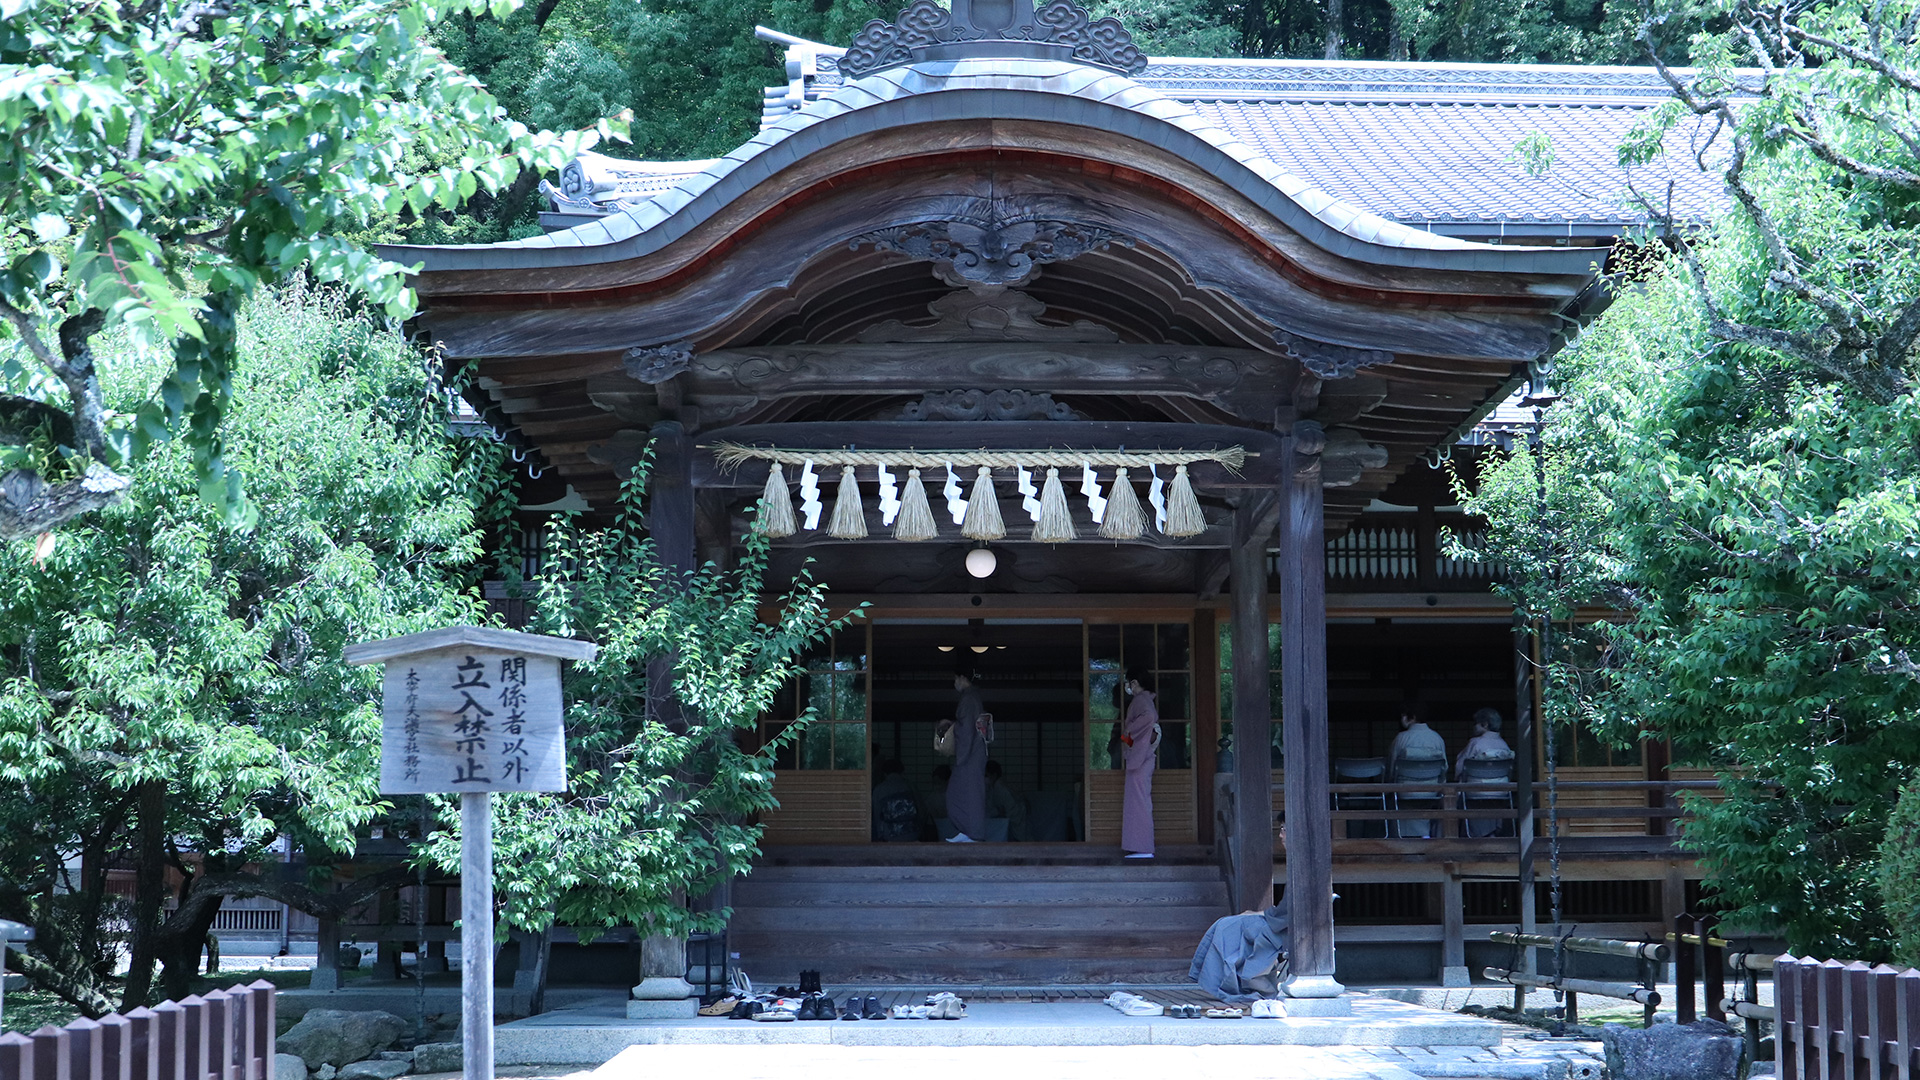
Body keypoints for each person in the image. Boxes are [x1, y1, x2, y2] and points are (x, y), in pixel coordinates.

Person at [1387, 701, 1447, 839]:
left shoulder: (1401, 739)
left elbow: (1392, 769)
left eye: (1403, 716)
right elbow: (1444, 770)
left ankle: (1401, 838)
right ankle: (1427, 836)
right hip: (1432, 791)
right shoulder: (1437, 739)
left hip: (1405, 791)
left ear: (1412, 717)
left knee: (1393, 800)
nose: (1402, 719)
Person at [944, 667, 990, 843]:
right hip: (975, 753)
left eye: (956, 679)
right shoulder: (973, 697)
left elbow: (966, 730)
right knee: (970, 794)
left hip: (969, 754)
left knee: (959, 794)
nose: (955, 683)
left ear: (963, 678)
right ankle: (969, 831)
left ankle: (972, 832)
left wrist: (960, 757)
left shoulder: (969, 698)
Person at [1121, 672, 1159, 858]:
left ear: (1135, 682)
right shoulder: (1144, 700)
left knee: (1139, 802)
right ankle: (1140, 846)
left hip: (1140, 758)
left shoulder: (1141, 701)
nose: (1128, 687)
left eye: (1129, 683)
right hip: (1142, 757)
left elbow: (1148, 718)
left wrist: (1128, 731)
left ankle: (1142, 847)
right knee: (1139, 801)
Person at [871, 757, 923, 843]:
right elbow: (921, 809)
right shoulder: (910, 786)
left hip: (890, 835)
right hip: (912, 833)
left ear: (884, 772)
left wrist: (880, 835)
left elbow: (877, 815)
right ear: (901, 770)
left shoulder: (879, 789)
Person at [1455, 707, 1514, 777]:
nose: (1474, 726)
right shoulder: (1504, 744)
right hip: (1501, 784)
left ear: (1485, 724)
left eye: (1476, 723)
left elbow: (1460, 767)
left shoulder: (1475, 743)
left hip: (1475, 784)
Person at [984, 759, 1028, 842]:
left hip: (1016, 816)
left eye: (986, 775)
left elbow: (1006, 809)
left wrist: (998, 813)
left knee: (1020, 839)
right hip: (1014, 816)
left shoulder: (1000, 788)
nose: (985, 778)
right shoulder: (995, 787)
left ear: (994, 775)